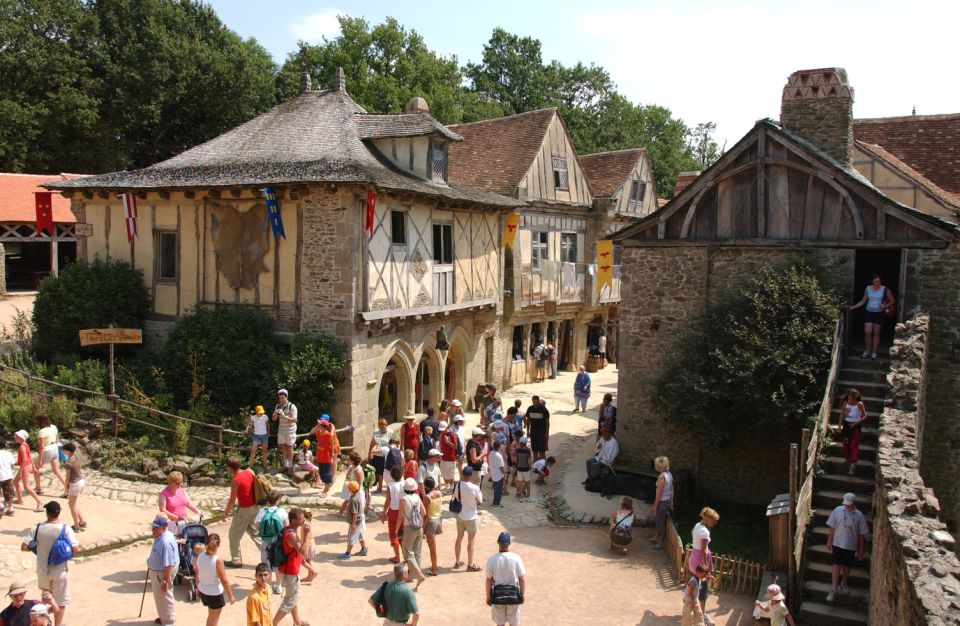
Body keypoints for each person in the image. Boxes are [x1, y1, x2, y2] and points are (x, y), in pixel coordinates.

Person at [20, 502, 77, 626]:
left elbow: (24, 547)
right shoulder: (66, 528)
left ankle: (43, 623)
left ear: (46, 512)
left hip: (42, 571)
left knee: (45, 599)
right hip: (60, 570)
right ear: (59, 512)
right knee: (61, 602)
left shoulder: (37, 528)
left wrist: (35, 548)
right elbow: (75, 548)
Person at [825, 492, 869, 603]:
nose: (847, 507)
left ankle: (843, 583)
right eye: (846, 505)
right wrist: (829, 541)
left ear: (855, 504)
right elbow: (832, 527)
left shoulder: (859, 516)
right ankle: (834, 588)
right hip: (838, 543)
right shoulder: (837, 511)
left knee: (847, 566)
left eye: (850, 505)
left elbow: (861, 534)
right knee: (836, 564)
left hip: (850, 545)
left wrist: (861, 548)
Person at [274, 508, 309, 626]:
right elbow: (304, 552)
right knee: (290, 600)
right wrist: (308, 534)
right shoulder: (292, 535)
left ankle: (297, 622)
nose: (304, 520)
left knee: (292, 597)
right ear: (294, 521)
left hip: (284, 570)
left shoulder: (286, 530)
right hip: (290, 572)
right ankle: (273, 623)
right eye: (301, 518)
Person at [223, 457, 260, 568]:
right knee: (255, 533)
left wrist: (225, 513)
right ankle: (269, 554)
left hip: (244, 510)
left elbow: (231, 500)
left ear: (230, 468)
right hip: (255, 507)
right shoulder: (249, 472)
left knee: (234, 535)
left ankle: (236, 560)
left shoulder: (235, 481)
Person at [848, 273, 895, 359]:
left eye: (878, 281)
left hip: (879, 313)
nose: (876, 283)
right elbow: (863, 301)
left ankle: (874, 352)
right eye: (875, 281)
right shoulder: (868, 288)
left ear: (880, 281)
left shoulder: (885, 289)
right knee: (867, 332)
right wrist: (853, 307)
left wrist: (885, 306)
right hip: (869, 311)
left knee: (876, 333)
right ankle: (867, 350)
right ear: (872, 281)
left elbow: (892, 300)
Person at [194, 533, 235, 626]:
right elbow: (224, 581)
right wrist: (230, 596)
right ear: (218, 545)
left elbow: (197, 574)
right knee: (214, 621)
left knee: (211, 617)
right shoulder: (217, 560)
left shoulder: (200, 556)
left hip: (203, 591)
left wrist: (197, 588)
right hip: (214, 594)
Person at [485, 531, 525, 626]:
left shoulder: (492, 559)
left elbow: (488, 579)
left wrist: (488, 596)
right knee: (513, 623)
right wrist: (522, 594)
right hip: (513, 595)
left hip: (498, 596)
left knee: (500, 623)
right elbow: (521, 578)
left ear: (498, 543)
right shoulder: (516, 558)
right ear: (509, 544)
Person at [688, 507, 719, 626]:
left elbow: (692, 534)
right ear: (708, 518)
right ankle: (702, 615)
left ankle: (695, 610)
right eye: (714, 520)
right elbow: (703, 551)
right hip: (700, 561)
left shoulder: (697, 526)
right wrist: (706, 568)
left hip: (693, 559)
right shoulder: (705, 532)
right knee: (703, 589)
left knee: (696, 585)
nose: (715, 523)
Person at [145, 516, 178, 626]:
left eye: (155, 528)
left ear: (163, 528)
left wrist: (165, 582)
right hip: (158, 571)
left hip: (162, 573)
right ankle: (164, 617)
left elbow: (167, 565)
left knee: (164, 597)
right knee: (160, 597)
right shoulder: (165, 534)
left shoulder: (165, 542)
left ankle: (168, 622)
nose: (153, 530)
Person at [254, 491, 287, 594]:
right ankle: (278, 585)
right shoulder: (282, 511)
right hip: (278, 542)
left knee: (266, 564)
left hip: (265, 541)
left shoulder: (262, 511)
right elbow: (286, 526)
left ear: (267, 501)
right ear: (278, 500)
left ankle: (267, 587)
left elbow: (257, 526)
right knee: (277, 562)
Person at [453, 466, 483, 572]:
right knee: (471, 541)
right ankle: (470, 564)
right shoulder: (474, 487)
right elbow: (480, 501)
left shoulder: (457, 486)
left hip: (460, 515)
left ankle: (457, 561)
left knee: (459, 538)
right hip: (471, 516)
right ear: (471, 475)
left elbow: (456, 498)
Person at [399, 477, 427, 589]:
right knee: (417, 551)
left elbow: (400, 517)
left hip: (409, 527)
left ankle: (419, 575)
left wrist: (397, 529)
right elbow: (424, 513)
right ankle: (412, 575)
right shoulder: (417, 497)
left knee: (407, 551)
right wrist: (418, 521)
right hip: (419, 527)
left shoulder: (403, 499)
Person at [35, 415, 66, 494]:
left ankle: (38, 488)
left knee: (35, 469)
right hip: (54, 449)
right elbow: (56, 440)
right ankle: (67, 489)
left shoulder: (41, 432)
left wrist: (40, 460)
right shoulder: (54, 427)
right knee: (57, 471)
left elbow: (41, 447)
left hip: (47, 450)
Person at [839, 389, 868, 476]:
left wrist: (855, 424)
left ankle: (853, 464)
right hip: (846, 425)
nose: (850, 400)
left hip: (855, 426)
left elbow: (864, 416)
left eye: (852, 399)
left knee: (853, 445)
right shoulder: (845, 403)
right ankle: (847, 458)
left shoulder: (859, 404)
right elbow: (842, 414)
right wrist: (839, 424)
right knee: (845, 443)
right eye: (849, 398)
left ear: (856, 398)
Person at [12, 431, 42, 510]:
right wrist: (34, 467)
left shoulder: (22, 446)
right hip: (27, 466)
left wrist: (20, 471)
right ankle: (20, 500)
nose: (15, 437)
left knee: (27, 487)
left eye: (16, 436)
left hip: (25, 467)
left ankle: (39, 503)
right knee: (15, 482)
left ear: (21, 437)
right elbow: (29, 456)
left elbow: (25, 459)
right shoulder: (26, 444)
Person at [59, 444, 84, 533]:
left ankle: (76, 526)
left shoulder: (68, 462)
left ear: (67, 451)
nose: (62, 451)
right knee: (73, 503)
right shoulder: (76, 457)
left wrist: (66, 488)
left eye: (64, 450)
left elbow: (67, 477)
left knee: (71, 505)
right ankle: (82, 521)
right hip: (81, 481)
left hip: (74, 484)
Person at [272, 389, 298, 474]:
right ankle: (286, 466)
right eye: (280, 398)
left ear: (286, 397)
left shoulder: (292, 406)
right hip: (282, 430)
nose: (281, 400)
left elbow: (294, 420)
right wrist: (275, 414)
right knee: (283, 448)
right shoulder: (277, 406)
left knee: (289, 449)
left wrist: (284, 416)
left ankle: (290, 467)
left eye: (283, 398)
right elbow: (273, 419)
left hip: (290, 431)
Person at [340, 481, 369, 559]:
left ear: (350, 490)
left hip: (355, 522)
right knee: (359, 535)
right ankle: (364, 549)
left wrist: (353, 525)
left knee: (351, 537)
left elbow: (355, 513)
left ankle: (348, 553)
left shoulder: (353, 500)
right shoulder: (356, 496)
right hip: (359, 521)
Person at [312, 417, 340, 496]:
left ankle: (325, 491)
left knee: (327, 473)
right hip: (320, 456)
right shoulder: (318, 433)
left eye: (319, 424)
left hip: (326, 457)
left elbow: (332, 447)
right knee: (321, 473)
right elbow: (312, 434)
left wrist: (331, 457)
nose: (318, 426)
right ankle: (328, 483)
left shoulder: (329, 435)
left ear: (322, 426)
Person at [381, 466, 404, 563]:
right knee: (402, 534)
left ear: (391, 475)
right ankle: (406, 557)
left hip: (393, 511)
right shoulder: (405, 483)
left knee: (393, 534)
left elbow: (388, 501)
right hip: (403, 511)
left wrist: (383, 513)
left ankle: (397, 557)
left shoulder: (390, 485)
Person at [651, 456, 674, 548]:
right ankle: (656, 537)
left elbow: (659, 493)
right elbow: (672, 489)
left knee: (660, 521)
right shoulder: (669, 474)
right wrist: (671, 501)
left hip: (662, 501)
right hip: (667, 500)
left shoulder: (661, 477)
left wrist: (655, 505)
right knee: (659, 519)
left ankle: (660, 542)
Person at [422, 476, 443, 576]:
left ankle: (434, 569)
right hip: (438, 520)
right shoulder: (439, 493)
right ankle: (434, 566)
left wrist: (422, 528)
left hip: (430, 523)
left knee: (432, 548)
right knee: (433, 547)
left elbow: (426, 515)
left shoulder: (427, 497)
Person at [368, 419, 394, 493]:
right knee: (379, 472)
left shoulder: (391, 432)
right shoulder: (376, 432)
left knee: (388, 472)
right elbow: (372, 443)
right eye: (380, 427)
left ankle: (390, 488)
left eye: (383, 427)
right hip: (378, 454)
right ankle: (379, 488)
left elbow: (395, 443)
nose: (382, 429)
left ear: (386, 426)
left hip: (388, 455)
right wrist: (369, 453)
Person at [339, 451, 365, 516]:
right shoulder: (352, 467)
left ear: (353, 461)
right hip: (351, 487)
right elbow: (348, 476)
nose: (348, 459)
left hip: (354, 488)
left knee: (350, 500)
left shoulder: (357, 470)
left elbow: (359, 483)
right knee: (349, 500)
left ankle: (344, 512)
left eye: (349, 459)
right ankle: (342, 512)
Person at [524, 397, 550, 462]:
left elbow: (547, 422)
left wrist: (547, 433)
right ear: (532, 401)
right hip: (533, 430)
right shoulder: (530, 409)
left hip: (542, 430)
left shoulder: (543, 409)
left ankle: (543, 462)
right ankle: (535, 461)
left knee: (542, 448)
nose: (535, 403)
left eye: (536, 402)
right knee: (534, 448)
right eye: (534, 402)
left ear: (538, 401)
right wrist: (527, 432)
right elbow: (528, 421)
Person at [438, 421, 458, 492]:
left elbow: (455, 447)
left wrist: (448, 442)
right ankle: (447, 486)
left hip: (451, 458)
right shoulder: (441, 435)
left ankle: (452, 487)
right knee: (443, 473)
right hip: (443, 457)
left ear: (447, 428)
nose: (442, 431)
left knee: (450, 474)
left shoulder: (451, 435)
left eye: (444, 429)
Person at [0, 438, 15, 517]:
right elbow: (12, 465)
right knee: (9, 494)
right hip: (8, 476)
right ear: (5, 445)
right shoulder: (9, 454)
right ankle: (10, 509)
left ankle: (0, 506)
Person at [514, 437, 532, 502]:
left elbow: (516, 460)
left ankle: (521, 496)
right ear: (525, 443)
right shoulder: (528, 451)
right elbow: (529, 461)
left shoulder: (517, 450)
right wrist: (530, 466)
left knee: (520, 483)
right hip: (526, 469)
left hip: (519, 468)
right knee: (527, 483)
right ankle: (528, 496)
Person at [489, 440, 505, 507]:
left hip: (493, 473)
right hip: (498, 475)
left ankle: (495, 502)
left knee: (496, 489)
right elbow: (501, 467)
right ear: (499, 447)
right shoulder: (499, 456)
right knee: (499, 490)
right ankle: (496, 503)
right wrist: (504, 474)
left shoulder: (491, 453)